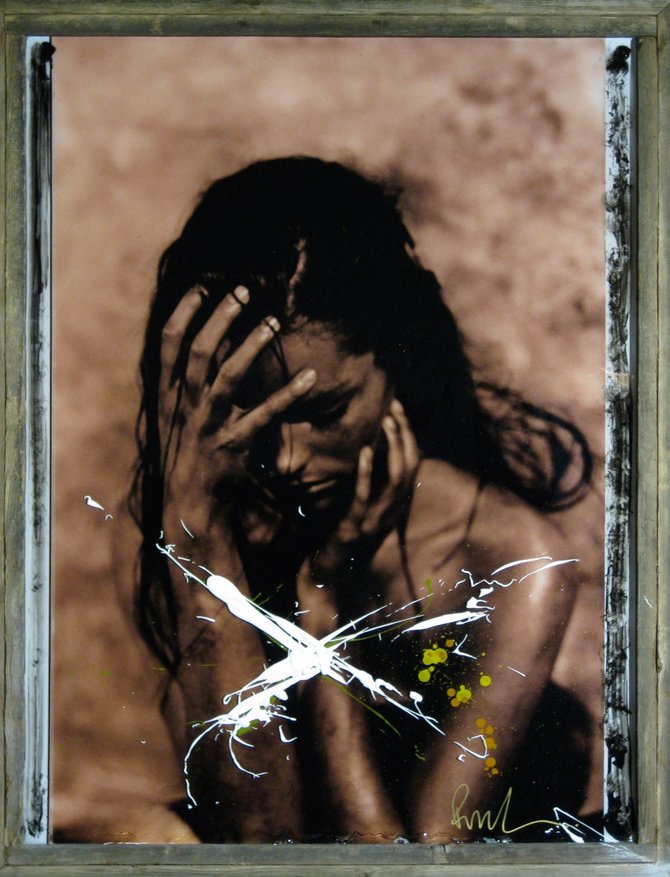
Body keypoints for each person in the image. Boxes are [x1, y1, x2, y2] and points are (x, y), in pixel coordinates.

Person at [132, 156, 596, 844]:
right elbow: (258, 838)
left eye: (326, 411)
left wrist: (321, 613)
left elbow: (406, 863)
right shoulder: (202, 526)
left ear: (396, 357)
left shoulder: (510, 559)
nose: (287, 460)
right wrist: (197, 537)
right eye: (253, 414)